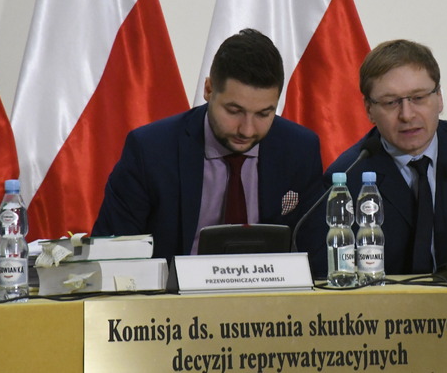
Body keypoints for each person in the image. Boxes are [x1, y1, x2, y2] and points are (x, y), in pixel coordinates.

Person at [93, 29, 324, 260]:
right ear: (208, 89)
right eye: (234, 111)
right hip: (174, 284)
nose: (247, 130)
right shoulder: (151, 151)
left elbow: (317, 258)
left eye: (263, 114)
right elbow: (110, 257)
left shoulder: (300, 150)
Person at [308, 39, 447, 276]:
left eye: (418, 98)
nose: (407, 115)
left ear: (439, 97)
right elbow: (331, 271)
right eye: (391, 102)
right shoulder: (349, 177)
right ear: (369, 109)